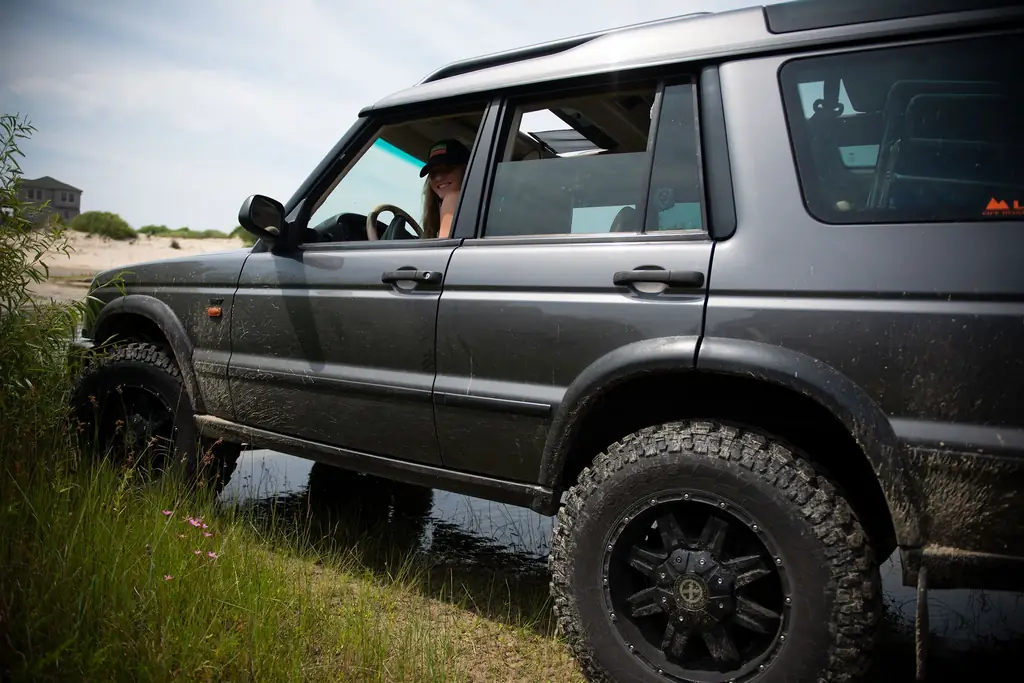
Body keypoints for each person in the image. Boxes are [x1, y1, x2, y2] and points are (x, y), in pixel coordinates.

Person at [419, 138, 470, 239]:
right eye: (433, 174)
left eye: (446, 169)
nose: (438, 178)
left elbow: (442, 252)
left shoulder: (452, 198)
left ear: (465, 170)